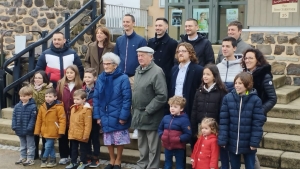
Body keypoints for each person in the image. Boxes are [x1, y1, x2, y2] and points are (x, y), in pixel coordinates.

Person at [218, 72, 266, 169]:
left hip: (248, 144)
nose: (237, 85)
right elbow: (224, 121)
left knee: (250, 166)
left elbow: (257, 123)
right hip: (232, 142)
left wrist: (254, 142)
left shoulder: (255, 100)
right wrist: (223, 139)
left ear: (248, 85)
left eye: (240, 83)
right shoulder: (228, 98)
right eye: (236, 83)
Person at [93, 52, 132, 169]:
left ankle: (118, 160)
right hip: (104, 113)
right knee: (108, 139)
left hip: (118, 113)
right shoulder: (101, 77)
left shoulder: (123, 78)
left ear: (115, 65)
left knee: (119, 139)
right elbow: (96, 97)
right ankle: (111, 160)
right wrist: (98, 116)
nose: (105, 66)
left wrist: (123, 116)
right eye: (104, 64)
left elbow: (127, 98)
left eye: (108, 64)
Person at [131, 47, 168, 169]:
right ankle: (142, 165)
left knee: (153, 146)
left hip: (151, 115)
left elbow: (162, 96)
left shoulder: (157, 72)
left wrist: (148, 110)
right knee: (142, 144)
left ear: (151, 57)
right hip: (139, 114)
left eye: (142, 55)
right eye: (138, 55)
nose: (140, 58)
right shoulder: (138, 70)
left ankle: (153, 166)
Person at [241, 48, 277, 169]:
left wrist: (259, 112)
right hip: (243, 116)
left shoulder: (264, 75)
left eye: (251, 58)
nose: (247, 60)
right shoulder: (245, 74)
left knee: (251, 149)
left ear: (258, 60)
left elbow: (272, 98)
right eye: (246, 58)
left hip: (256, 118)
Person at [114, 14, 147, 139]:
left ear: (133, 23)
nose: (126, 24)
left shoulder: (140, 40)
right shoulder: (119, 40)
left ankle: (137, 127)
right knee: (122, 102)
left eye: (128, 21)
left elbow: (143, 58)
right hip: (121, 76)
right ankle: (123, 126)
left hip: (135, 76)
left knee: (135, 102)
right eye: (124, 22)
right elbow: (116, 58)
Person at [191, 64, 227, 147]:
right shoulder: (199, 91)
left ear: (214, 76)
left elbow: (223, 112)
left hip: (214, 128)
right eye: (204, 74)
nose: (205, 76)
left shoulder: (221, 91)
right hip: (201, 127)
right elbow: (194, 110)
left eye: (208, 74)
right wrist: (194, 128)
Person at [56, 65, 83, 165]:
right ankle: (63, 156)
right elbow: (58, 98)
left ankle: (73, 156)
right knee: (63, 135)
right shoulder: (61, 83)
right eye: (67, 73)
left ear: (75, 73)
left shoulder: (80, 84)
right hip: (62, 113)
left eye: (71, 73)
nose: (69, 75)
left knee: (73, 136)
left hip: (75, 114)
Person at [169, 42, 203, 118]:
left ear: (190, 53)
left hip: (189, 108)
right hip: (174, 109)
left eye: (183, 51)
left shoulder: (198, 70)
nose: (180, 53)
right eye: (178, 51)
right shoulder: (174, 69)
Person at [34, 88, 66, 168]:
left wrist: (61, 130)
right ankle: (53, 160)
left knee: (47, 146)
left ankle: (44, 159)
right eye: (46, 96)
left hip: (53, 130)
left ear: (55, 97)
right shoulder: (42, 107)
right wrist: (37, 131)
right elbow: (39, 120)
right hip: (45, 130)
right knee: (50, 146)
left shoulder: (59, 107)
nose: (48, 98)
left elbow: (62, 120)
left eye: (50, 96)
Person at [158, 96, 192, 169]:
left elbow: (188, 134)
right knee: (167, 164)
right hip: (167, 146)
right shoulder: (166, 118)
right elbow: (160, 129)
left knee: (179, 165)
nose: (172, 108)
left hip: (179, 147)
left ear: (181, 108)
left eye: (175, 107)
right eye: (171, 106)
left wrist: (179, 139)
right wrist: (162, 136)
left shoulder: (184, 120)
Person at [65, 89, 92, 169]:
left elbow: (88, 124)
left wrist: (86, 134)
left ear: (84, 99)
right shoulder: (73, 108)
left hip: (82, 134)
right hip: (73, 133)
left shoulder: (87, 110)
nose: (75, 101)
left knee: (83, 150)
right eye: (74, 99)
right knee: (73, 149)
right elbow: (72, 121)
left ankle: (82, 162)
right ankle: (73, 162)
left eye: (78, 99)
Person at [147, 17, 178, 88]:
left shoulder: (172, 43)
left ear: (166, 27)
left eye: (160, 25)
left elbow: (175, 62)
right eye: (156, 25)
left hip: (165, 78)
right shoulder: (150, 42)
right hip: (151, 77)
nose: (157, 28)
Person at [29, 70, 53, 160]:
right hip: (33, 115)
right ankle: (34, 154)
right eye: (36, 78)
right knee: (34, 135)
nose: (37, 80)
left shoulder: (48, 88)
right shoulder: (30, 88)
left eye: (40, 78)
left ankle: (44, 154)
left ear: (44, 79)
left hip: (44, 114)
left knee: (44, 135)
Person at [12, 86, 37, 166]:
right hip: (19, 129)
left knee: (30, 145)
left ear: (30, 96)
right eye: (21, 96)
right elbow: (14, 117)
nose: (22, 98)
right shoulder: (17, 106)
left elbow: (33, 119)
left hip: (29, 130)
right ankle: (22, 157)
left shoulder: (33, 107)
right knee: (22, 145)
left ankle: (30, 159)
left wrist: (29, 128)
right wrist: (14, 125)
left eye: (24, 96)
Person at [82, 68, 101, 168]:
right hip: (85, 119)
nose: (87, 79)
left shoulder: (98, 89)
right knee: (87, 138)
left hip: (94, 118)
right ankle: (88, 156)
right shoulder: (82, 89)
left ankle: (96, 157)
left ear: (95, 78)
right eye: (85, 77)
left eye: (89, 77)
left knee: (95, 138)